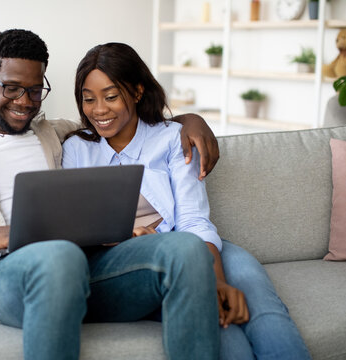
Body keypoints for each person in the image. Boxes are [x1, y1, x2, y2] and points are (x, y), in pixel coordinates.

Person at [0, 29, 221, 360]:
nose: (24, 102)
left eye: (34, 90)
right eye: (11, 89)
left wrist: (190, 121)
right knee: (59, 255)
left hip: (83, 271)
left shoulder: (59, 135)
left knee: (186, 249)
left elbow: (123, 120)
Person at [62, 42, 312, 360]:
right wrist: (125, 238)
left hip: (192, 242)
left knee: (257, 295)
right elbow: (78, 227)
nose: (99, 109)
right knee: (224, 327)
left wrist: (217, 281)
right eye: (88, 98)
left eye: (111, 96)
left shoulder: (173, 138)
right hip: (143, 263)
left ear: (137, 92)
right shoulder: (77, 150)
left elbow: (193, 220)